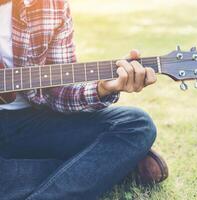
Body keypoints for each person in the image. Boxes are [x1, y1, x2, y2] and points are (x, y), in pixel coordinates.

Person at [0, 0, 168, 199]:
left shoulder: (52, 4)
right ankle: (99, 169)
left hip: (32, 122)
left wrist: (102, 88)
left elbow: (57, 91)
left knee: (137, 124)